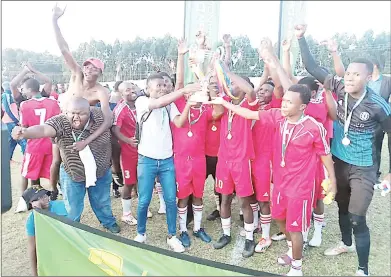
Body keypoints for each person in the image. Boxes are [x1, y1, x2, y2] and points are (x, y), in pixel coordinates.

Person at [210, 83, 336, 276]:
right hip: (280, 183)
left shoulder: (313, 127)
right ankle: (291, 247)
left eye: (289, 103)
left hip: (301, 187)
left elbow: (325, 155)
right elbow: (249, 114)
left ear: (302, 107)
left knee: (295, 228)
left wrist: (332, 181)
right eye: (284, 101)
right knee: (279, 218)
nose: (284, 105)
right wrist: (225, 104)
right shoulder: (278, 116)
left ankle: (296, 269)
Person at [296, 24, 391, 276]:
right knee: (341, 206)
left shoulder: (377, 105)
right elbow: (312, 67)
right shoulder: (339, 87)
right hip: (339, 161)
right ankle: (346, 244)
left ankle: (363, 269)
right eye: (347, 73)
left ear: (369, 77)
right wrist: (301, 37)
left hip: (364, 167)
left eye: (355, 75)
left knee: (357, 217)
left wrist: (389, 173)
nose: (348, 78)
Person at [12, 97, 120, 234]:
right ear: (66, 112)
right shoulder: (60, 121)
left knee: (102, 202)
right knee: (73, 206)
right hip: (73, 173)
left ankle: (108, 222)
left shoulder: (100, 116)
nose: (76, 117)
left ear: (89, 112)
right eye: (72, 113)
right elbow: (44, 130)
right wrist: (25, 132)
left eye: (81, 114)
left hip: (101, 171)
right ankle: (73, 228)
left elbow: (113, 124)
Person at [134, 73, 200, 252]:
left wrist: (187, 104)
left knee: (171, 200)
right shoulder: (142, 101)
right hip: (146, 160)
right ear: (148, 89)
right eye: (158, 86)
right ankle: (141, 233)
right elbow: (156, 104)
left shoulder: (169, 104)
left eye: (165, 85)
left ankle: (172, 235)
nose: (163, 88)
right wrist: (184, 91)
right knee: (144, 200)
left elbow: (179, 122)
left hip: (167, 161)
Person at [211, 64, 258, 258]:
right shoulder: (224, 103)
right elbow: (215, 113)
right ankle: (226, 233)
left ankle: (249, 237)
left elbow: (250, 91)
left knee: (244, 200)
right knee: (225, 199)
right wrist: (217, 89)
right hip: (224, 160)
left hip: (241, 160)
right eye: (230, 84)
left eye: (236, 83)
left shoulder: (248, 105)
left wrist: (227, 71)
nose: (233, 86)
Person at [52, 4, 112, 153]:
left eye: (94, 68)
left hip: (81, 128)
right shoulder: (77, 74)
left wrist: (88, 140)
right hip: (62, 119)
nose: (88, 69)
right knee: (56, 160)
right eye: (87, 66)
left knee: (77, 161)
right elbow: (64, 49)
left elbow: (108, 120)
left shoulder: (101, 91)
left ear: (100, 73)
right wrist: (54, 21)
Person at [10, 64, 55, 213]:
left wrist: (25, 70)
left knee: (28, 173)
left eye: (23, 89)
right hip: (50, 144)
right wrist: (34, 71)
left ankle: (24, 201)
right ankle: (50, 197)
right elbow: (48, 81)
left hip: (34, 145)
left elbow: (12, 84)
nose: (22, 91)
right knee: (52, 172)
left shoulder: (24, 103)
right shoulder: (50, 100)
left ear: (29, 90)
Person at [24, 186, 67, 276]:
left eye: (45, 195)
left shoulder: (61, 206)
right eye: (39, 198)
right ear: (32, 203)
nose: (45, 198)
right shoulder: (31, 220)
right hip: (51, 252)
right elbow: (32, 248)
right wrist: (35, 274)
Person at [112, 82, 139, 226]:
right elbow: (115, 130)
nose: (132, 91)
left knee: (141, 180)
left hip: (142, 150)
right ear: (121, 94)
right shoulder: (120, 108)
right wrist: (128, 140)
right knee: (129, 183)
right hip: (128, 152)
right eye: (127, 90)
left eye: (133, 88)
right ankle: (126, 214)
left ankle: (142, 208)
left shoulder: (141, 103)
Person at [368, 58, 391, 183]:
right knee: (368, 147)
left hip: (381, 119)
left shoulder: (387, 81)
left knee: (377, 147)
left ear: (375, 66)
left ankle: (375, 174)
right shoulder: (366, 80)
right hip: (366, 117)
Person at [1, 81, 27, 161]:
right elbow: (8, 110)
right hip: (11, 122)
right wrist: (16, 120)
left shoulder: (10, 95)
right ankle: (26, 157)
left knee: (11, 143)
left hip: (9, 122)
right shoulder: (6, 95)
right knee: (22, 140)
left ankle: (7, 159)